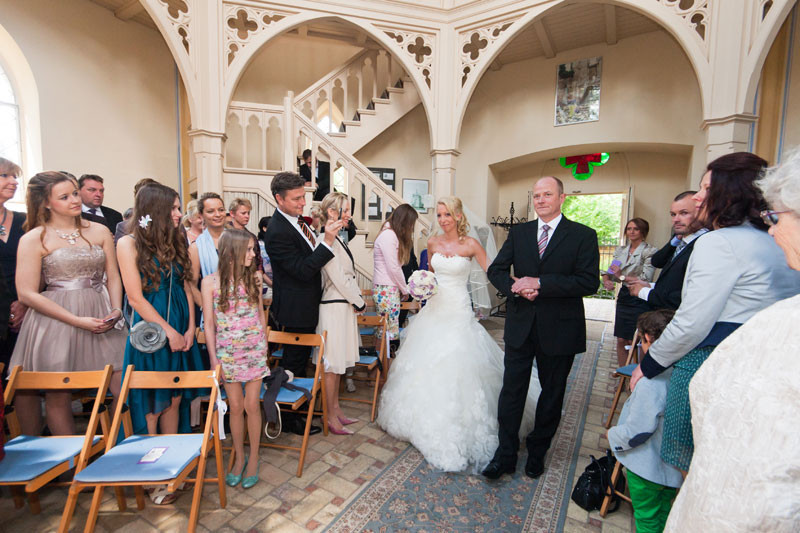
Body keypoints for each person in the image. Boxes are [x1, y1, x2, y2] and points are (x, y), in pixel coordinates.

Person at [630, 152, 800, 476]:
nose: (697, 197)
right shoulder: (775, 239)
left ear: (729, 192)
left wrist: (648, 365)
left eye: (706, 189)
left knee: (691, 465)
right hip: (766, 369)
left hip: (710, 362)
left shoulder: (718, 243)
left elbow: (692, 324)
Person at [378, 196, 540, 472]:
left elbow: (494, 271)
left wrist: (518, 286)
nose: (442, 220)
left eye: (447, 215)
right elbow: (428, 275)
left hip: (459, 312)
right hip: (435, 312)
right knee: (426, 365)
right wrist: (421, 286)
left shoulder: (471, 245)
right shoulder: (432, 243)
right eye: (439, 215)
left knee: (459, 364)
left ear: (459, 216)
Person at [484, 176, 600, 480]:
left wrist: (541, 284)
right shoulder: (520, 233)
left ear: (562, 198)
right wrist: (516, 288)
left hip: (560, 327)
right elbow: (496, 270)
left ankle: (537, 451)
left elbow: (589, 282)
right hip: (521, 324)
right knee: (512, 392)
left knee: (552, 394)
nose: (541, 200)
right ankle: (505, 454)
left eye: (547, 194)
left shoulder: (583, 235)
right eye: (536, 195)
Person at [11, 172, 126, 436]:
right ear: (46, 203)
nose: (75, 200)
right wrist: (75, 321)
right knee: (58, 395)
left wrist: (117, 309)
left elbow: (113, 276)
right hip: (56, 320)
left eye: (75, 193)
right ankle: (72, 466)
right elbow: (27, 292)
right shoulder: (34, 238)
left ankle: (122, 451)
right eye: (65, 197)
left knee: (121, 385)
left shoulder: (99, 231)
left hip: (102, 314)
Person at [264, 171, 341, 436]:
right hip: (295, 308)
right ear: (279, 199)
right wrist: (328, 242)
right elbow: (302, 270)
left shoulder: (298, 221)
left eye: (303, 197)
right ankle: (289, 419)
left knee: (300, 362)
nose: (302, 203)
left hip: (307, 303)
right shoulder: (276, 231)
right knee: (293, 364)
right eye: (296, 199)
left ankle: (297, 410)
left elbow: (309, 251)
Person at [201, 229, 268, 489]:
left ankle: (253, 458)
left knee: (252, 405)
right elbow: (208, 325)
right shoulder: (209, 282)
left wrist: (263, 347)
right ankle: (238, 456)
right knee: (235, 406)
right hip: (227, 353)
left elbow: (260, 315)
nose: (253, 254)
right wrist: (213, 358)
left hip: (253, 351)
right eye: (249, 249)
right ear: (233, 251)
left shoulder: (255, 278)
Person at [607, 309, 682, 533]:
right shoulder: (682, 374)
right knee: (664, 512)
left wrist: (613, 436)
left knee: (646, 517)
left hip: (646, 468)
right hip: (673, 467)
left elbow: (638, 430)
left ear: (648, 340)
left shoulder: (650, 383)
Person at [315, 192, 366, 434]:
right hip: (333, 307)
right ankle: (329, 416)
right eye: (345, 210)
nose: (349, 215)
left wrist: (355, 300)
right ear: (332, 212)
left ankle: (336, 410)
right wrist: (359, 302)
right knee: (331, 366)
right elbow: (338, 277)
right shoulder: (324, 241)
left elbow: (349, 275)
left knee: (337, 367)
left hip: (342, 306)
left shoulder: (339, 239)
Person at [626, 192, 705, 312]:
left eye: (684, 213)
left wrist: (622, 277)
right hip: (628, 292)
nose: (676, 220)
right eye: (673, 214)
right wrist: (608, 277)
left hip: (657, 303)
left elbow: (687, 296)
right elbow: (613, 268)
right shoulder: (621, 250)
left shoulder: (705, 244)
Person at [603, 218, 658, 366]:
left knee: (636, 339)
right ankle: (623, 373)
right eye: (629, 229)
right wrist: (606, 279)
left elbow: (646, 278)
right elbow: (611, 270)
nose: (631, 232)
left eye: (635, 229)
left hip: (640, 297)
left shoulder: (650, 251)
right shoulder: (621, 250)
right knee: (621, 338)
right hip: (624, 297)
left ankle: (636, 374)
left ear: (643, 232)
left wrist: (621, 276)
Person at [372, 204, 418, 343]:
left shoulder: (389, 234)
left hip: (386, 287)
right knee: (389, 332)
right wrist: (405, 289)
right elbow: (394, 268)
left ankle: (386, 360)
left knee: (387, 329)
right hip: (386, 288)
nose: (411, 228)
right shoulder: (389, 236)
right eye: (411, 224)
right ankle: (386, 362)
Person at [0, 158, 27, 377]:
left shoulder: (24, 221)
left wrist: (23, 302)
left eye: (15, 176)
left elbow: (40, 265)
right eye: (5, 176)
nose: (13, 182)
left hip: (22, 308)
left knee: (17, 376)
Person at [188, 192, 226, 309]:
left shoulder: (236, 240)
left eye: (221, 210)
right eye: (211, 211)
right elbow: (191, 286)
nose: (217, 214)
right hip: (212, 309)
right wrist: (208, 309)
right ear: (201, 215)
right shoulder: (196, 247)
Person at [228, 198, 263, 273]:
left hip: (249, 277)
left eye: (248, 213)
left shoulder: (252, 236)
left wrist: (258, 276)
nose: (247, 216)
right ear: (232, 214)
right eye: (243, 213)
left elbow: (258, 261)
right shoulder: (225, 234)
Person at [256, 216, 274, 297]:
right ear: (264, 228)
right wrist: (270, 282)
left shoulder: (276, 244)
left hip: (279, 284)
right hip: (265, 284)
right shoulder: (258, 245)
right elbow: (257, 267)